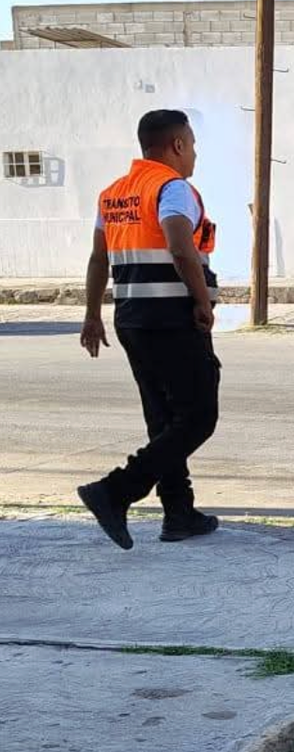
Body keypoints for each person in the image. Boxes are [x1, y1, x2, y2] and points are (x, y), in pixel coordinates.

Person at [76, 109, 222, 550]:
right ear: (177, 145)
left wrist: (91, 314)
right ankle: (115, 490)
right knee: (198, 417)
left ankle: (178, 513)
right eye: (192, 144)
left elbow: (99, 259)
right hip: (172, 319)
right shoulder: (171, 187)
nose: (194, 153)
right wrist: (202, 302)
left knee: (163, 418)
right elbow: (180, 247)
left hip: (132, 319)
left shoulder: (114, 193)